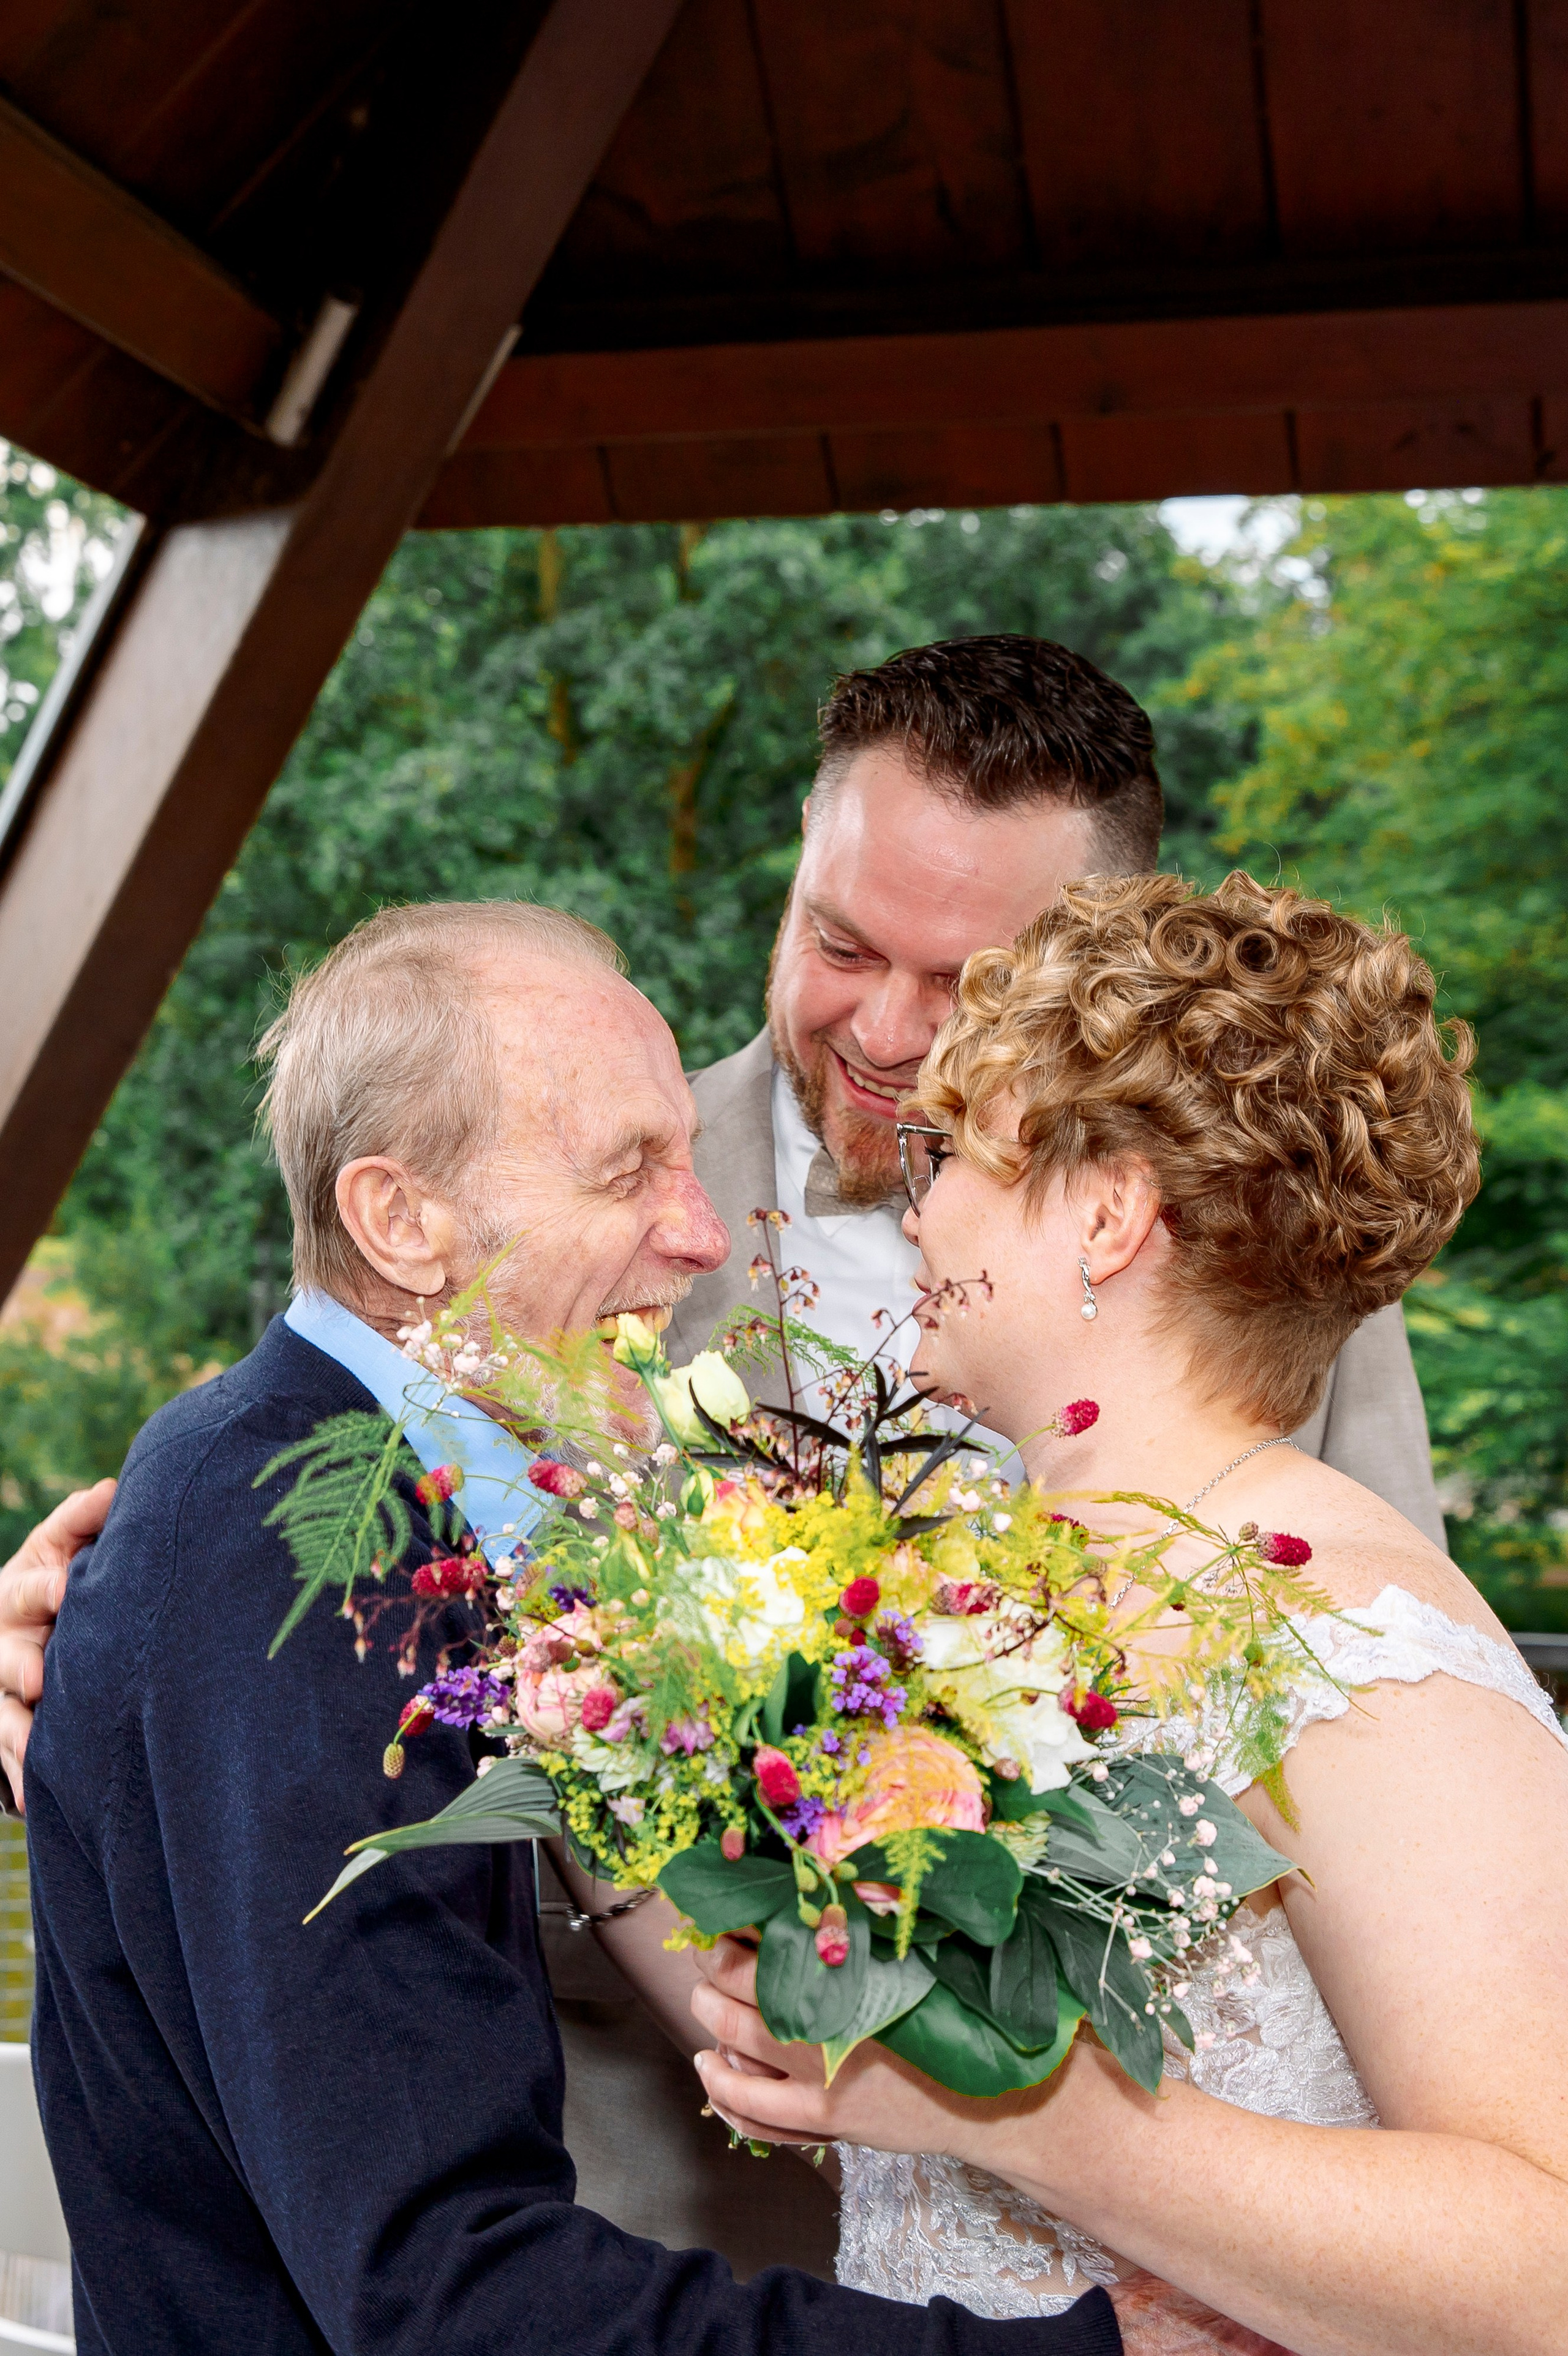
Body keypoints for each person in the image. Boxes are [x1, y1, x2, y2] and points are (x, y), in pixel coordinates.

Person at [20, 900, 1120, 2356]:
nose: (702, 1230)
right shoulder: (304, 1568)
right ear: (398, 1221)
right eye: (631, 1171)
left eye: (686, 1153)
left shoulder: (347, 1512)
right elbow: (448, 2298)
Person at [677, 875, 1568, 2354]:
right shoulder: (979, 1594)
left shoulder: (1359, 1644)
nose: (919, 1203)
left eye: (956, 1149)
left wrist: (1033, 2120)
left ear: (1102, 1215)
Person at [669, 635, 1446, 1547]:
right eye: (843, 946)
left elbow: (1386, 1592)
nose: (882, 1036)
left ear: (1111, 956)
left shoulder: (1280, 1221)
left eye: (966, 984)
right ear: (807, 840)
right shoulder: (582, 1195)